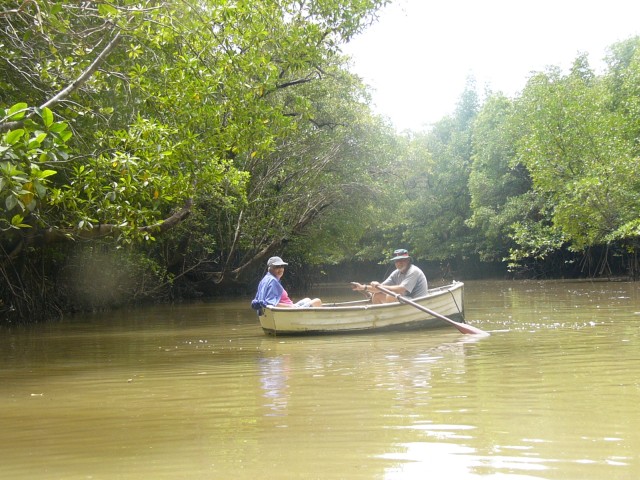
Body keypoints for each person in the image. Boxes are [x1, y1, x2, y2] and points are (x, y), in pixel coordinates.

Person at [351, 248, 428, 304]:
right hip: (406, 299)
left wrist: (381, 287)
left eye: (402, 260)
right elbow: (379, 288)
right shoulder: (396, 273)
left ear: (408, 261)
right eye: (397, 261)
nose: (399, 263)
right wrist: (363, 287)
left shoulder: (413, 271)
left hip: (418, 301)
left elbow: (401, 289)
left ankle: (393, 319)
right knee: (377, 295)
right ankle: (382, 317)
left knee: (391, 296)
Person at [251, 256, 322, 310]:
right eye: (277, 267)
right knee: (317, 301)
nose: (281, 269)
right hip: (290, 310)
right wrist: (292, 306)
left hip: (289, 307)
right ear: (270, 268)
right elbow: (272, 304)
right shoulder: (272, 281)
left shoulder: (265, 279)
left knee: (307, 299)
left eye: (282, 266)